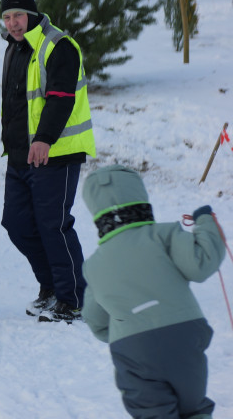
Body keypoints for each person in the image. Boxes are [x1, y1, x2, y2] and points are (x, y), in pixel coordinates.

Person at [81, 165, 223, 418]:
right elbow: (202, 263)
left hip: (133, 347)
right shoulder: (165, 235)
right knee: (192, 406)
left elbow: (96, 321)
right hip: (183, 334)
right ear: (140, 196)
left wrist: (128, 327)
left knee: (153, 412)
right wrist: (205, 222)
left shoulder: (94, 265)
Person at [0, 0, 95, 323]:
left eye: (18, 15)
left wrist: (44, 139)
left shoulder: (58, 45)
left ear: (32, 14)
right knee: (17, 223)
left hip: (57, 153)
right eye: (7, 17)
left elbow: (60, 98)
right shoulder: (15, 48)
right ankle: (52, 288)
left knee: (53, 225)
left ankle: (73, 299)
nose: (13, 23)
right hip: (20, 156)